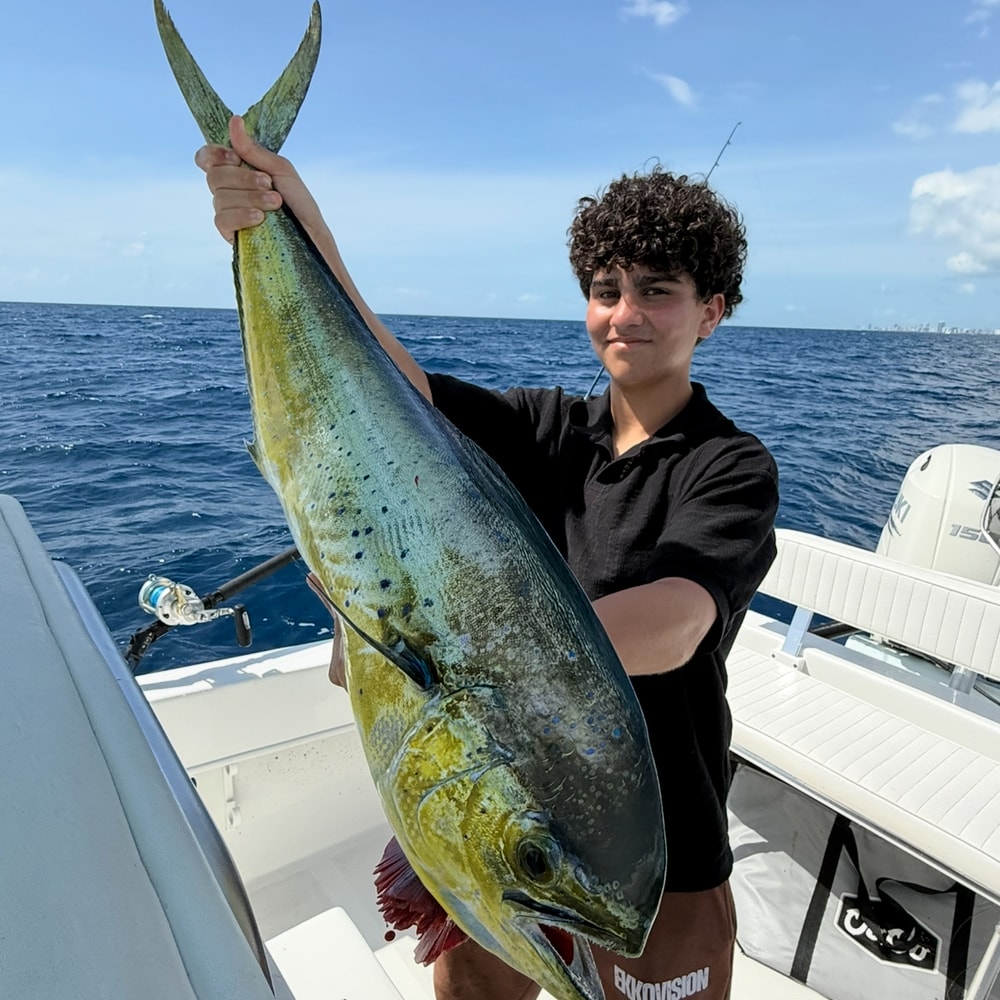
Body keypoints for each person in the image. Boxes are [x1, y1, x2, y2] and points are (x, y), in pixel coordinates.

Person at [196, 117, 779, 1000]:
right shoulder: (544, 427)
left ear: (712, 311)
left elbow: (676, 621)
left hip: (648, 855)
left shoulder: (729, 466)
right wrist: (286, 211)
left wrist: (461, 653)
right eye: (604, 288)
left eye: (656, 291)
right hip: (504, 823)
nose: (624, 315)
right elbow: (399, 388)